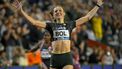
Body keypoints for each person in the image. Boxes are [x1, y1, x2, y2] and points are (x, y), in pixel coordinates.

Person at [12, 0, 103, 69]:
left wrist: (98, 5)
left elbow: (87, 17)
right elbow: (34, 22)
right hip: (55, 58)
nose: (58, 12)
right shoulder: (50, 25)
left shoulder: (70, 24)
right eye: (56, 11)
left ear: (63, 14)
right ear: (54, 15)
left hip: (66, 57)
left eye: (60, 10)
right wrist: (21, 11)